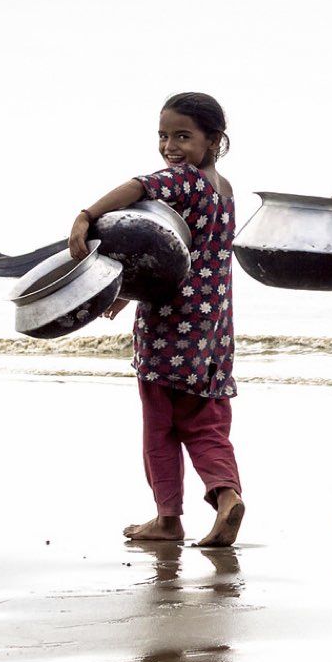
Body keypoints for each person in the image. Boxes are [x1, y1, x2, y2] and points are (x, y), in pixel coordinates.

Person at [69, 92, 244, 547]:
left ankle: (168, 518)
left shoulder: (184, 180)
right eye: (164, 135)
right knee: (205, 423)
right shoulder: (224, 192)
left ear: (214, 140)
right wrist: (129, 294)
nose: (170, 146)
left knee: (160, 424)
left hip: (170, 325)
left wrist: (87, 216)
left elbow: (139, 187)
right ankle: (227, 497)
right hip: (214, 330)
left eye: (183, 136)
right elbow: (177, 256)